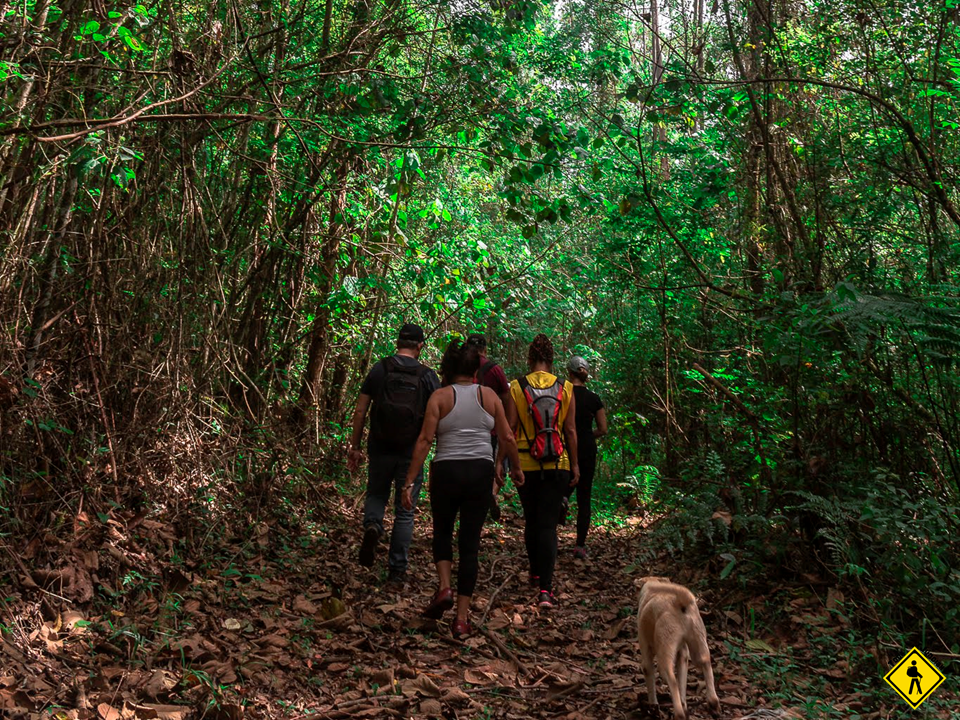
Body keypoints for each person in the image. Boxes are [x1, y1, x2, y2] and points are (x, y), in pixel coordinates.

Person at [401, 340, 524, 638]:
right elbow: (507, 436)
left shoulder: (439, 397)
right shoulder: (490, 395)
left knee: (442, 532)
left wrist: (409, 481)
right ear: (475, 370)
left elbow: (424, 441)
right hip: (479, 472)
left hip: (446, 471)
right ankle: (461, 618)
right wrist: (513, 467)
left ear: (449, 368)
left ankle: (444, 588)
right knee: (470, 544)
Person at [347, 323, 440, 588]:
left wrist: (355, 446)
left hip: (380, 447)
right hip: (411, 452)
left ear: (397, 342)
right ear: (420, 346)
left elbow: (360, 410)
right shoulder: (427, 376)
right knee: (405, 511)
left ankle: (373, 526)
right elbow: (441, 414)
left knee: (376, 493)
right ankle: (397, 571)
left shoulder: (381, 368)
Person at [503, 333, 578, 609]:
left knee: (531, 520)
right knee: (548, 525)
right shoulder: (565, 387)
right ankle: (546, 590)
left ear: (530, 358)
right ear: (551, 359)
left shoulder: (516, 387)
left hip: (527, 464)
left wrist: (503, 463)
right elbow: (570, 431)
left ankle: (535, 572)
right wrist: (576, 465)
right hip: (558, 462)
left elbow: (509, 430)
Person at [564, 356, 607, 559]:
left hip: (563, 448)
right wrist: (588, 435)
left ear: (569, 372)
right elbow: (603, 428)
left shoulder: (562, 394)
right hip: (587, 449)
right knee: (584, 497)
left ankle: (551, 533)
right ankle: (580, 545)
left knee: (562, 489)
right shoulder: (593, 398)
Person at [466, 333, 511, 521]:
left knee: (467, 466)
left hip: (462, 427)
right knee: (489, 466)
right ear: (485, 349)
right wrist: (507, 425)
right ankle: (489, 496)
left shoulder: (461, 367)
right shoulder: (495, 370)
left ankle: (472, 502)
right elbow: (507, 400)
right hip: (488, 428)